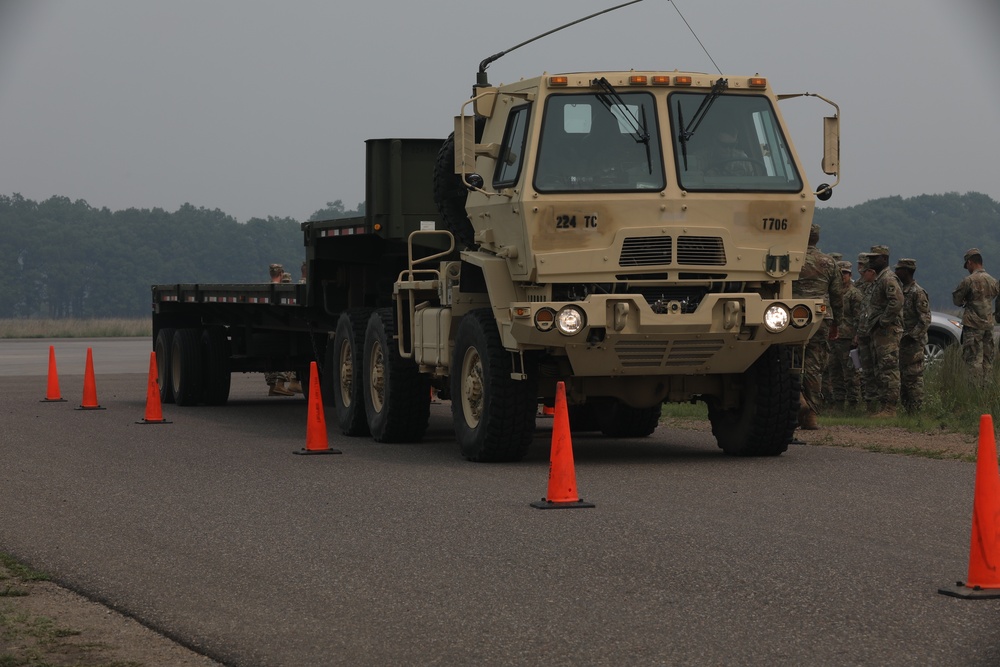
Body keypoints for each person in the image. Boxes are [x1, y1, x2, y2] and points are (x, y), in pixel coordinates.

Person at [792, 224, 843, 430]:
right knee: (814, 366)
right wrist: (837, 322)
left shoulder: (791, 258)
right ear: (817, 239)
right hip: (821, 316)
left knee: (789, 361)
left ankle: (797, 402)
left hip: (792, 315)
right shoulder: (829, 262)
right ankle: (811, 414)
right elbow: (837, 296)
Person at [858, 245, 903, 416]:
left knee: (889, 368)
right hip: (879, 332)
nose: (870, 261)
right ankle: (883, 406)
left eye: (874, 258)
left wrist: (883, 321)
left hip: (888, 332)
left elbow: (897, 301)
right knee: (881, 369)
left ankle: (890, 408)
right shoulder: (880, 279)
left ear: (884, 259)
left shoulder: (888, 278)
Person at [952, 248, 999, 386]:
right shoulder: (992, 281)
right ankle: (986, 390)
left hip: (973, 325)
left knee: (973, 360)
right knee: (987, 360)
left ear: (970, 262)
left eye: (967, 265)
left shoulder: (968, 281)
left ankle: (974, 391)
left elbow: (957, 300)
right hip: (988, 325)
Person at [895, 258, 930, 412]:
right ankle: (907, 409)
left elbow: (925, 320)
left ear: (907, 271)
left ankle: (917, 411)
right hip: (902, 342)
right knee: (903, 377)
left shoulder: (918, 292)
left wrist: (912, 336)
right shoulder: (901, 291)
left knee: (914, 377)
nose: (896, 272)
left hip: (914, 343)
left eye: (899, 270)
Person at [829, 260, 862, 408]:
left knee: (850, 372)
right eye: (840, 273)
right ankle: (838, 402)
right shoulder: (833, 293)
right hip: (834, 336)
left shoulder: (854, 294)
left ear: (850, 274)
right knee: (834, 371)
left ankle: (853, 402)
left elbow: (859, 317)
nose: (843, 276)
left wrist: (857, 336)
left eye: (846, 273)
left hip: (848, 338)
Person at [265, 264, 294, 396]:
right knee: (285, 352)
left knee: (269, 355)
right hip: (281, 325)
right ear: (281, 273)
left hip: (267, 326)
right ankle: (280, 384)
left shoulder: (265, 288)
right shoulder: (283, 290)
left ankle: (272, 386)